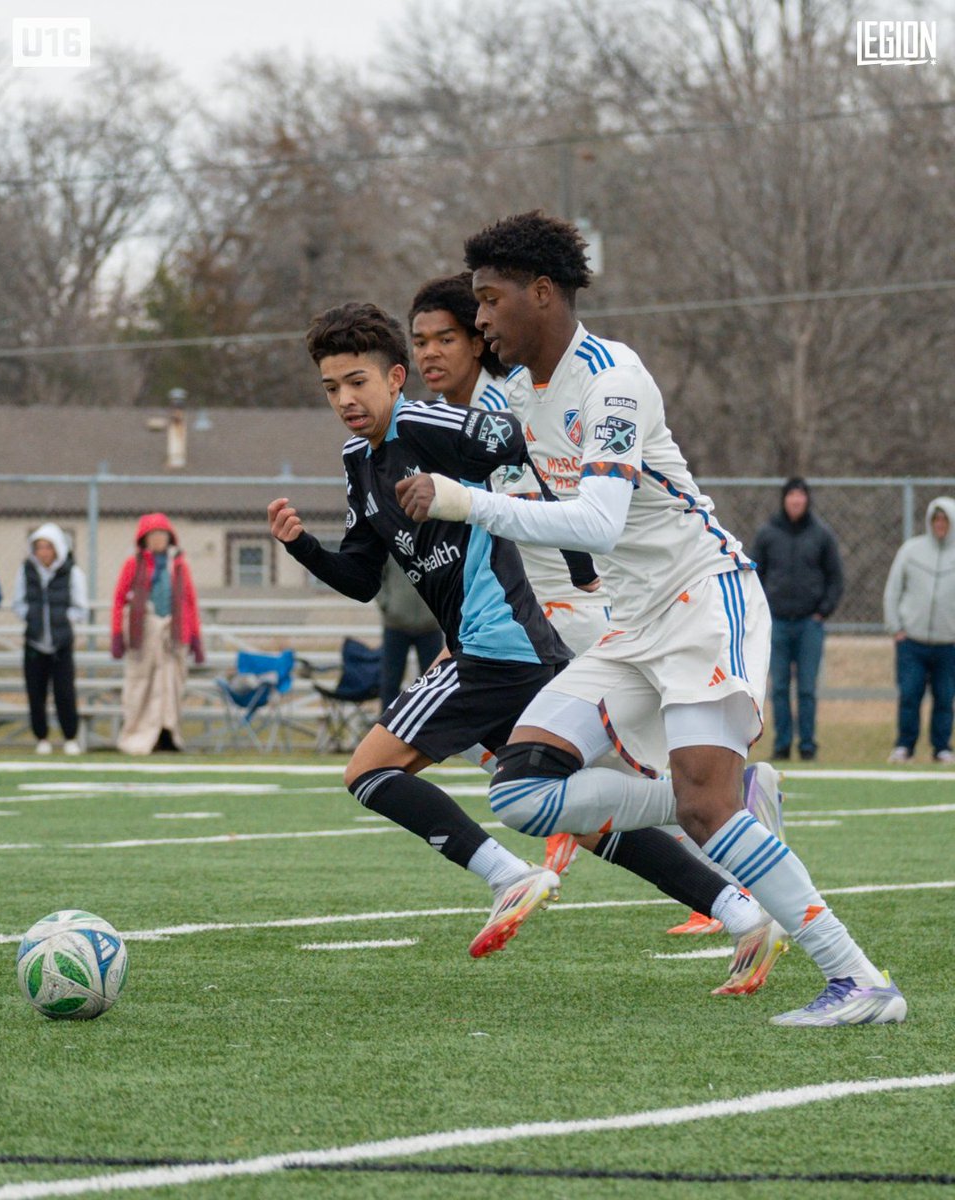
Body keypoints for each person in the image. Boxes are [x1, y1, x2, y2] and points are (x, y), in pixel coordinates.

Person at [397, 211, 905, 1026]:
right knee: (523, 788)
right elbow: (479, 431)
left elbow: (598, 520)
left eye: (489, 301)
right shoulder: (524, 392)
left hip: (706, 600)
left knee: (709, 809)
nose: (479, 318)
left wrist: (462, 500)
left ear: (542, 292)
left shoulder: (614, 379)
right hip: (634, 625)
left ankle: (861, 982)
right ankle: (731, 795)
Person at [269, 302, 774, 981]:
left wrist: (481, 479)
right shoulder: (361, 462)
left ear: (394, 378)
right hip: (517, 650)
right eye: (331, 388)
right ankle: (742, 912)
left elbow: (505, 435)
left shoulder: (423, 421)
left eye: (357, 381)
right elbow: (362, 577)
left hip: (494, 645)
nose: (345, 399)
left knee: (367, 771)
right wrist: (301, 546)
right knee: (592, 820)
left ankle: (508, 875)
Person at [408, 271, 778, 968]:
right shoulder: (470, 420)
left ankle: (726, 859)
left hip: (577, 616)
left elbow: (584, 520)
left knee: (547, 778)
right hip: (534, 621)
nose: (434, 354)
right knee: (540, 778)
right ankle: (729, 875)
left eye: (450, 335)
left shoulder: (512, 404)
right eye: (420, 341)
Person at [751, 478, 844, 761]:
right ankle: (781, 744)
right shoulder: (768, 534)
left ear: (807, 500)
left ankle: (807, 746)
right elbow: (755, 576)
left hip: (808, 624)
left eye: (800, 495)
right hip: (777, 622)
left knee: (806, 688)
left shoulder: (821, 535)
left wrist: (822, 611)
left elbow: (835, 578)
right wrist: (763, 611)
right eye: (791, 495)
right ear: (784, 499)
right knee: (778, 687)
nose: (796, 500)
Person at [110, 513, 204, 755]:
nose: (158, 539)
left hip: (173, 634)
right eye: (152, 535)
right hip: (144, 634)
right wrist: (117, 634)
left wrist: (195, 637)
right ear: (144, 539)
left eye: (162, 534)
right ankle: (139, 736)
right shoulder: (134, 564)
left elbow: (190, 601)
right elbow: (120, 598)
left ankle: (167, 733)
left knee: (171, 684)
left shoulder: (179, 564)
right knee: (141, 685)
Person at [883, 496, 955, 765]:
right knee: (910, 694)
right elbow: (893, 590)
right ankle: (904, 746)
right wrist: (896, 628)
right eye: (936, 519)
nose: (940, 525)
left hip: (948, 643)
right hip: (911, 641)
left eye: (945, 520)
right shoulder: (911, 551)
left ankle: (941, 748)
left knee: (945, 697)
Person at [11, 523, 87, 754]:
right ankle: (41, 737)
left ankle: (70, 737)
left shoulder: (72, 572)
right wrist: (33, 619)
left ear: (58, 549)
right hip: (34, 641)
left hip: (61, 642)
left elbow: (80, 607)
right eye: (39, 547)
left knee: (64, 692)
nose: (43, 552)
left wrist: (62, 620)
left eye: (48, 547)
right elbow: (18, 603)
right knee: (36, 692)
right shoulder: (26, 571)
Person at [376, 555, 443, 708]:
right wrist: (386, 604)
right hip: (396, 625)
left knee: (434, 685)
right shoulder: (390, 539)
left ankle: (431, 729)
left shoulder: (436, 541)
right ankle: (388, 729)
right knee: (390, 684)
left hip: (430, 626)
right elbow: (376, 574)